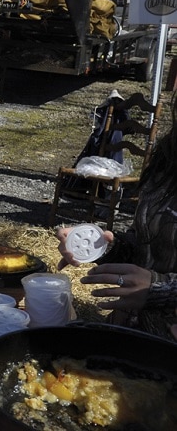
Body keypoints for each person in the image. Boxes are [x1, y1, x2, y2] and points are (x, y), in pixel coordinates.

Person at [56, 91, 177, 341]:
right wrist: (99, 245)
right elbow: (147, 244)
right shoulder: (170, 154)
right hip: (132, 334)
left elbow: (155, 282)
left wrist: (161, 289)